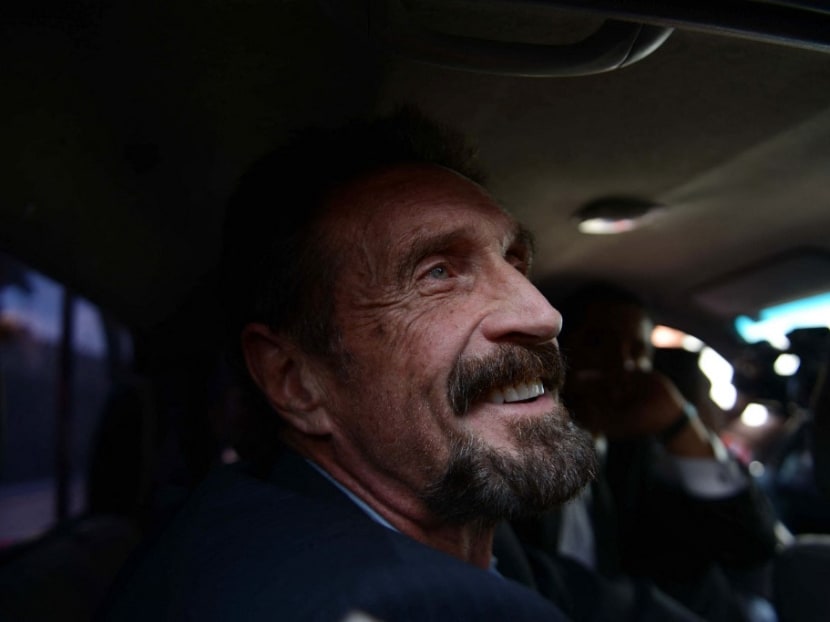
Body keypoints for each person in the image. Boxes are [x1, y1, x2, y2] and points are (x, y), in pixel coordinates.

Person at [100, 109, 599, 621]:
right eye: (438, 273)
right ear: (295, 382)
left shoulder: (448, 530)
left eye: (515, 262)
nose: (544, 315)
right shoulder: (397, 605)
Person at [513, 282, 783, 622]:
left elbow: (750, 546)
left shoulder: (640, 457)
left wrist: (681, 427)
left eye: (638, 350)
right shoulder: (511, 451)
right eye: (597, 343)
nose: (622, 364)